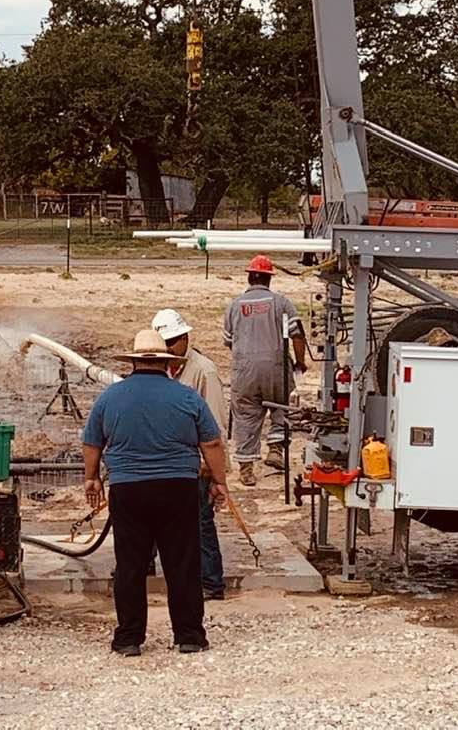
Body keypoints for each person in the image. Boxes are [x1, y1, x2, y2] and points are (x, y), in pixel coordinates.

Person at [82, 329, 228, 657]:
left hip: (128, 489)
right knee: (182, 562)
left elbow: (92, 441)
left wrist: (91, 478)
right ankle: (189, 635)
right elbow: (212, 442)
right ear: (166, 364)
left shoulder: (110, 397)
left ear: (134, 362)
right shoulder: (187, 396)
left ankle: (129, 638)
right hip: (178, 487)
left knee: (131, 564)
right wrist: (219, 481)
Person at [152, 308, 227, 601]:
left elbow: (216, 423)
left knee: (200, 522)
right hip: (165, 459)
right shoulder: (162, 369)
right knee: (152, 517)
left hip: (195, 463)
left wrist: (213, 469)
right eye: (164, 344)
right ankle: (143, 568)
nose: (169, 348)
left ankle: (211, 582)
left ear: (185, 337)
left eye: (173, 342)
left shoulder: (203, 371)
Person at [223, 255, 307, 487]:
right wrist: (299, 362)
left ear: (250, 277)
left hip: (244, 372)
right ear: (269, 279)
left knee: (246, 417)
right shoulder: (281, 303)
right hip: (275, 369)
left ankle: (247, 469)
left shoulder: (234, 306)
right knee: (282, 408)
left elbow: (229, 341)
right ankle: (275, 450)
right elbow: (297, 335)